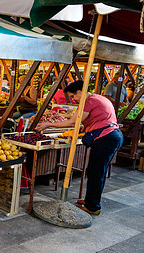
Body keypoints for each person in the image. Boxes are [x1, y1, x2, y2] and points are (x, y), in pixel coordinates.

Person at [36, 80, 123, 215]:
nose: (74, 99)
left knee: (96, 172)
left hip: (105, 138)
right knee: (98, 171)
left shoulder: (88, 101)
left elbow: (72, 121)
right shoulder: (98, 98)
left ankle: (93, 207)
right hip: (113, 135)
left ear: (79, 92)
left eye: (73, 95)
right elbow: (94, 119)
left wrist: (48, 125)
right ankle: (90, 200)